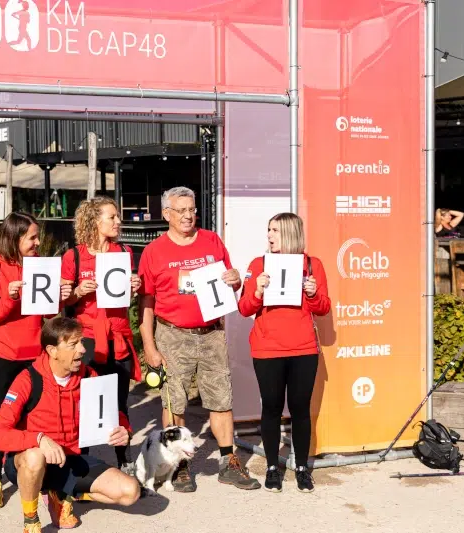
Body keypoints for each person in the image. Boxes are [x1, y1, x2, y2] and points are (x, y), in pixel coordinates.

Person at [137, 186, 260, 493]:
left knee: (221, 399)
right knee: (174, 402)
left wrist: (234, 279)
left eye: (192, 209)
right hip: (172, 335)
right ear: (167, 214)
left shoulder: (212, 241)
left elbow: (230, 279)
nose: (188, 216)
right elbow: (146, 304)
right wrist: (150, 346)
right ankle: (179, 465)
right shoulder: (154, 252)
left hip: (211, 333)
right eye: (181, 210)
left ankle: (228, 463)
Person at [0, 317, 141, 533]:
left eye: (81, 342)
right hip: (28, 463)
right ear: (52, 350)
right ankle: (31, 519)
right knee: (34, 456)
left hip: (69, 460)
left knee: (130, 492)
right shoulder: (28, 379)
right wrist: (38, 439)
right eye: (73, 344)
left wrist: (124, 430)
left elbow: (113, 413)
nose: (81, 350)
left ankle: (60, 494)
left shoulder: (88, 375)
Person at [0, 212, 72, 509]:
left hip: (33, 356)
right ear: (14, 238)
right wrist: (9, 297)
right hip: (1, 356)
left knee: (33, 416)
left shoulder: (39, 266)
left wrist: (61, 297)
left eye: (37, 237)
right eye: (31, 237)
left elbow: (47, 313)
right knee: (0, 416)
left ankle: (38, 476)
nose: (37, 242)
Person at [238, 212, 330, 493]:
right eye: (268, 230)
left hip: (304, 350)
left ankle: (302, 467)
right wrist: (257, 291)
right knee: (272, 408)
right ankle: (271, 467)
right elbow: (244, 308)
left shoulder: (313, 265)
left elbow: (324, 308)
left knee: (301, 410)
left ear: (290, 233)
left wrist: (313, 293)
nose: (269, 235)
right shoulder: (258, 264)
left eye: (275, 230)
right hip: (268, 349)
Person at [61, 196, 142, 473]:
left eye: (117, 216)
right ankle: (79, 464)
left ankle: (124, 461)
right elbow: (60, 300)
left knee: (119, 402)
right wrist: (77, 292)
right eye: (112, 217)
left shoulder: (124, 252)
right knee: (83, 403)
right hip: (87, 339)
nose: (118, 221)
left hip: (117, 336)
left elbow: (125, 298)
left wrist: (134, 285)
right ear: (95, 222)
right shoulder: (73, 256)